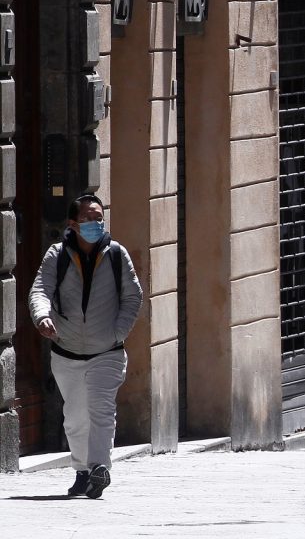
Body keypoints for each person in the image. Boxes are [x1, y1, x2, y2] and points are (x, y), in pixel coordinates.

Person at [29, 193, 143, 499]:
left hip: (107, 351)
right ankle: (82, 470)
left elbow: (134, 296)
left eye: (98, 216)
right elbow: (40, 289)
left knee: (101, 410)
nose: (95, 222)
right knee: (76, 416)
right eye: (87, 218)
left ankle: (99, 469)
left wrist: (117, 332)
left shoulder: (117, 254)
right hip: (66, 352)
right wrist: (42, 316)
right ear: (72, 223)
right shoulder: (57, 255)